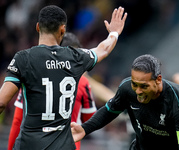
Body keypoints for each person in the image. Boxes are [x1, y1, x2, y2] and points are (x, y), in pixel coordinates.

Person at [0, 5, 127, 150]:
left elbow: (1, 103)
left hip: (30, 144)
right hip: (64, 145)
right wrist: (114, 33)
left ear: (37, 27)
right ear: (62, 29)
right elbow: (103, 49)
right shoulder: (75, 57)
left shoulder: (23, 59)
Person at [71, 54, 179, 150]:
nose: (138, 91)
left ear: (158, 80)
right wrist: (84, 129)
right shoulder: (127, 88)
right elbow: (109, 111)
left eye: (143, 86)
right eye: (134, 84)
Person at [7, 32, 99, 150]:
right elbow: (90, 119)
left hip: (35, 144)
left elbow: (17, 120)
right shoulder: (83, 82)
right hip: (68, 144)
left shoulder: (31, 77)